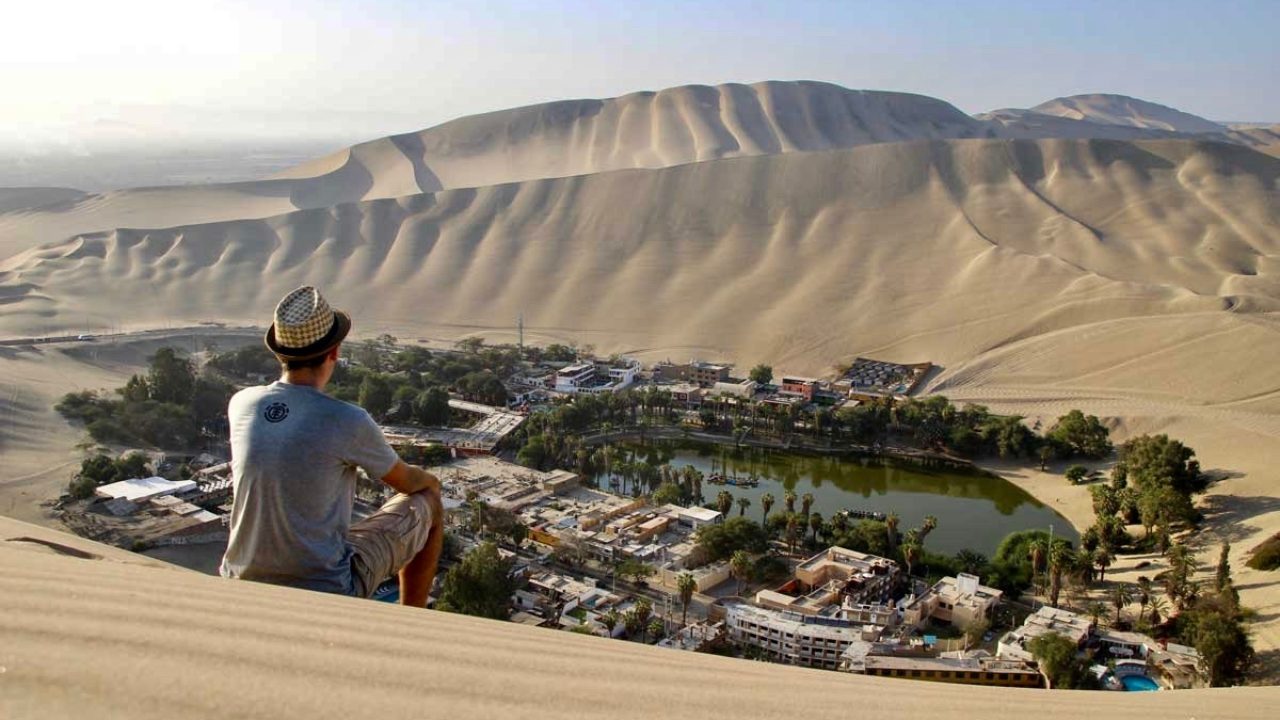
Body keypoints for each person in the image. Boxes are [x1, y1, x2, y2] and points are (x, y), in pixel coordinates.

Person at [220, 286, 444, 607]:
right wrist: (431, 482)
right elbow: (405, 482)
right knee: (429, 502)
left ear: (279, 353)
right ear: (334, 352)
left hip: (239, 579)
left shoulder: (241, 403)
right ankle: (412, 618)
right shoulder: (346, 419)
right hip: (327, 589)